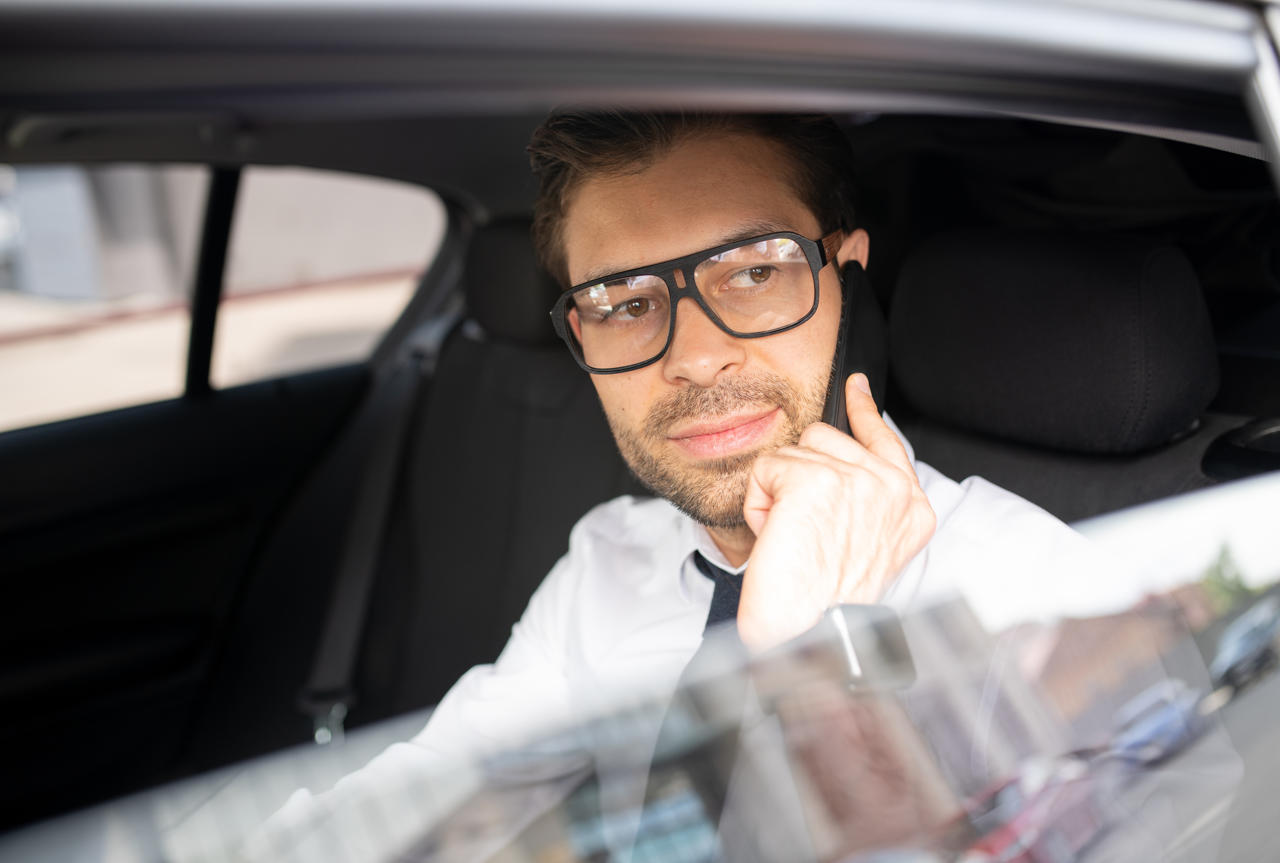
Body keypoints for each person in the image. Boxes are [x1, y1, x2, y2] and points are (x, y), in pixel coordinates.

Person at [242, 111, 1115, 862]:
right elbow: (401, 808)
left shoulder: (1037, 595)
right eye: (626, 302)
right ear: (582, 335)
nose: (695, 358)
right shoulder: (611, 559)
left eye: (754, 270)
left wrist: (815, 658)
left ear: (845, 276)